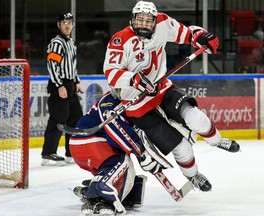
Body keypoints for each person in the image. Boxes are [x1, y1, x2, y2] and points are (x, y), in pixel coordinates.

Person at [103, 1, 240, 188]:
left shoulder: (162, 23)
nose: (143, 24)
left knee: (196, 118)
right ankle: (193, 175)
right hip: (136, 104)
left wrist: (200, 36)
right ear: (132, 20)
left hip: (162, 88)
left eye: (147, 21)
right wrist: (134, 79)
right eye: (139, 20)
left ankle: (216, 140)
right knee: (182, 148)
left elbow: (186, 33)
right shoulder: (120, 40)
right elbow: (111, 72)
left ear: (154, 21)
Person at [69, 90, 210, 215]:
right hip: (87, 141)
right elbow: (117, 135)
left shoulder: (132, 103)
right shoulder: (109, 103)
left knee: (126, 173)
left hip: (89, 145)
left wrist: (144, 153)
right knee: (121, 161)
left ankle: (92, 193)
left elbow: (132, 135)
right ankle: (100, 189)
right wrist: (141, 154)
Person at [41, 12, 83, 166]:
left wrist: (76, 81)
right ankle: (48, 153)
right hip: (59, 84)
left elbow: (73, 66)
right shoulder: (56, 43)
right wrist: (59, 85)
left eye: (70, 22)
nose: (67, 25)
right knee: (59, 118)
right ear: (59, 25)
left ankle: (70, 152)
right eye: (64, 22)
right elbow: (52, 66)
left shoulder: (71, 43)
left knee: (76, 118)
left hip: (70, 85)